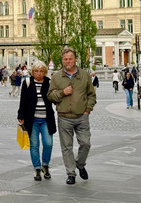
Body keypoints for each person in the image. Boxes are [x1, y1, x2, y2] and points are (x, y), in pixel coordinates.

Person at [47, 47, 96, 185]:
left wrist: (87, 110)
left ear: (75, 59)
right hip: (64, 117)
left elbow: (91, 95)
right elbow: (50, 96)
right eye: (65, 59)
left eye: (70, 58)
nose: (68, 61)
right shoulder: (56, 77)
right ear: (62, 60)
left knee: (85, 143)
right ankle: (71, 173)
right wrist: (62, 92)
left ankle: (80, 164)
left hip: (82, 116)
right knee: (66, 147)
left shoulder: (84, 75)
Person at [17, 61, 56, 181]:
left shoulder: (49, 82)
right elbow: (23, 100)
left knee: (48, 143)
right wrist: (21, 115)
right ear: (32, 72)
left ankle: (45, 164)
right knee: (34, 145)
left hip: (46, 119)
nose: (38, 74)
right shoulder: (28, 82)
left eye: (41, 71)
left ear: (45, 72)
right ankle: (37, 168)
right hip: (32, 119)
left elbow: (53, 99)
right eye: (36, 71)